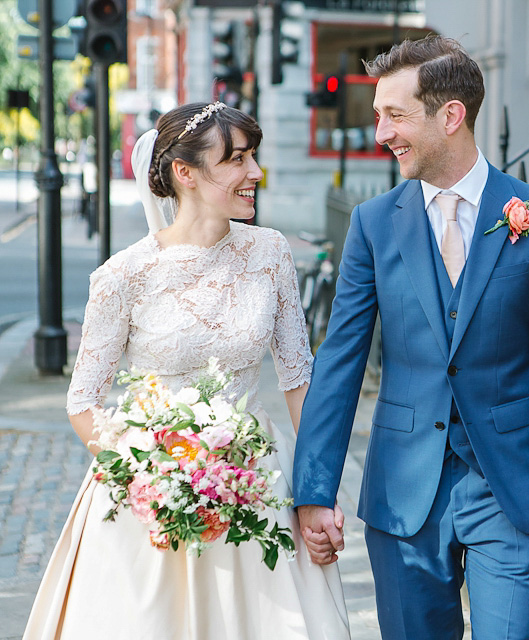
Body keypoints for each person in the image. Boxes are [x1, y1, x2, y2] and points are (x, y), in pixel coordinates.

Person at [293, 36, 529, 639]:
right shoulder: (374, 225)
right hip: (405, 493)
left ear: (450, 116)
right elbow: (340, 362)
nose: (381, 133)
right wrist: (313, 490)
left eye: (395, 116)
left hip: (511, 493)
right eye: (379, 116)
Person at [23, 103, 351, 640]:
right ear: (186, 173)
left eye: (254, 158)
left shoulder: (271, 255)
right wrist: (148, 473)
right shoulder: (123, 275)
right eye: (238, 160)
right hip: (152, 492)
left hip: (258, 482)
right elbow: (83, 402)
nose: (255, 174)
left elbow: (297, 380)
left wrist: (318, 492)